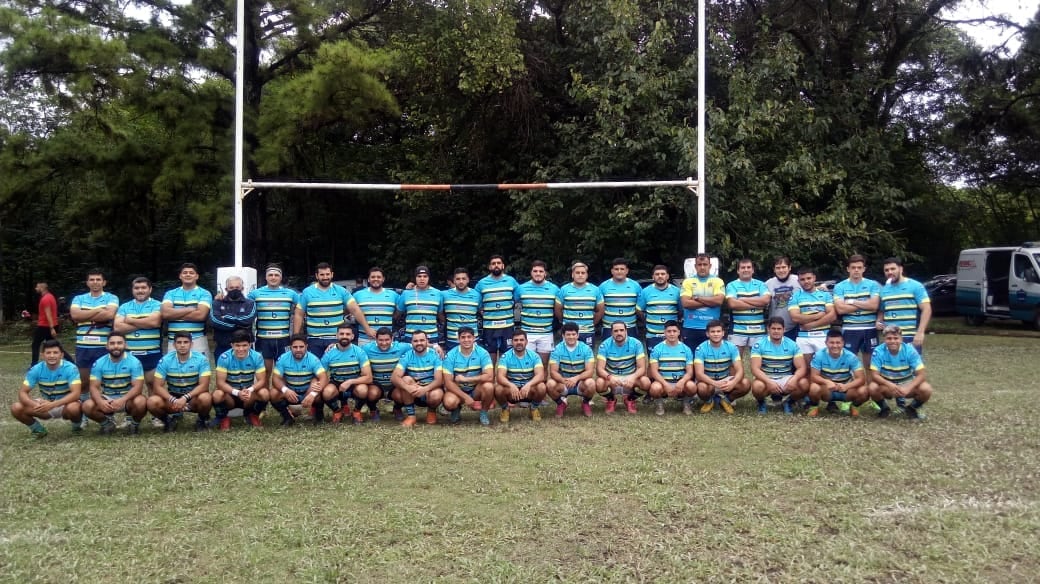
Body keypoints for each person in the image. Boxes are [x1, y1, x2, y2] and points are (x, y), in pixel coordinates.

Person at [296, 262, 375, 356]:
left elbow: (355, 309)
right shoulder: (307, 292)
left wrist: (367, 329)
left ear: (332, 274)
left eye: (327, 274)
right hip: (314, 339)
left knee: (337, 368)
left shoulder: (341, 291)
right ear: (317, 276)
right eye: (322, 274)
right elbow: (298, 314)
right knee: (316, 369)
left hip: (336, 338)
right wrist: (295, 338)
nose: (325, 277)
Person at [11, 339, 82, 438]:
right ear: (42, 355)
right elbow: (22, 392)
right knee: (16, 407)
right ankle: (38, 430)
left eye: (55, 352)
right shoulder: (36, 369)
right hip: (45, 405)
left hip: (65, 405)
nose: (52, 355)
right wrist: (35, 404)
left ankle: (77, 428)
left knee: (74, 408)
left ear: (61, 355)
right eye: (48, 353)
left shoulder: (71, 368)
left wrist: (52, 405)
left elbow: (76, 394)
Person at [82, 333, 147, 434]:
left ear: (125, 345)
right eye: (112, 343)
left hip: (127, 399)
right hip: (108, 399)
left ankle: (133, 424)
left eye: (119, 343)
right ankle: (107, 424)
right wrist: (100, 401)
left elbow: (138, 387)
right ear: (107, 346)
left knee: (141, 402)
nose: (116, 346)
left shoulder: (135, 362)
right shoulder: (99, 363)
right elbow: (94, 387)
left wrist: (122, 400)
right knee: (87, 405)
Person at [148, 332, 214, 432]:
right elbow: (157, 386)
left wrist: (185, 398)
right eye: (179, 342)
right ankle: (168, 422)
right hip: (173, 398)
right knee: (152, 402)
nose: (182, 345)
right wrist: (174, 400)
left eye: (186, 342)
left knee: (206, 398)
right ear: (174, 345)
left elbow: (204, 385)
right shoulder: (165, 360)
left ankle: (201, 420)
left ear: (191, 344)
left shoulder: (202, 359)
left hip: (193, 398)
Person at [869, 325, 933, 421]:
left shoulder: (910, 350)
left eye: (896, 338)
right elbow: (874, 375)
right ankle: (884, 409)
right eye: (889, 338)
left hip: (906, 383)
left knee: (926, 389)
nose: (893, 341)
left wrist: (908, 387)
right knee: (872, 387)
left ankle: (912, 408)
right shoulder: (878, 351)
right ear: (884, 339)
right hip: (888, 385)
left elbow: (922, 374)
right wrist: (889, 384)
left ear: (901, 339)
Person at [69, 269, 119, 390]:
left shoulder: (111, 297)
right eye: (91, 279)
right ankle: (85, 406)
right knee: (84, 382)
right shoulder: (78, 298)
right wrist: (98, 310)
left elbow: (109, 315)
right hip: (83, 346)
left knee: (106, 381)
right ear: (87, 283)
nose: (95, 282)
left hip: (104, 346)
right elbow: (75, 316)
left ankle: (104, 406)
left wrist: (84, 314)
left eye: (98, 279)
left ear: (104, 282)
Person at [750, 317, 809, 415]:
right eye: (773, 328)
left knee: (804, 383)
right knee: (757, 386)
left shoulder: (792, 344)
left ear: (784, 329)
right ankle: (761, 403)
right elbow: (755, 369)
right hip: (767, 377)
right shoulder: (759, 345)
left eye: (779, 329)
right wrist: (769, 382)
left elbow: (802, 367)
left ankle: (789, 402)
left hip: (785, 378)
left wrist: (794, 379)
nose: (776, 331)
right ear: (768, 329)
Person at [212, 330, 268, 430]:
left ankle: (253, 415)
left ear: (250, 345)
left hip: (248, 394)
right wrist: (237, 393)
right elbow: (220, 383)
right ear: (232, 345)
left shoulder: (257, 356)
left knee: (264, 393)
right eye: (237, 345)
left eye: (244, 345)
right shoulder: (224, 357)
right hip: (230, 395)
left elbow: (262, 380)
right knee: (217, 394)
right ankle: (223, 418)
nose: (241, 349)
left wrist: (249, 390)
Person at [833, 254, 882, 369]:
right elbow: (840, 309)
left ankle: (870, 387)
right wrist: (865, 303)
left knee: (870, 365)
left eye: (859, 267)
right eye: (853, 267)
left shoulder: (872, 284)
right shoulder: (840, 286)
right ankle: (852, 387)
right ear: (848, 269)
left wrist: (850, 301)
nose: (856, 270)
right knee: (849, 364)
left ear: (864, 269)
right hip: (850, 328)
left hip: (870, 328)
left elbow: (874, 306)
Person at [807, 328, 868, 417]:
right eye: (831, 342)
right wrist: (827, 382)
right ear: (826, 343)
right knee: (814, 388)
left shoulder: (851, 357)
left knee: (864, 391)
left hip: (846, 389)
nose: (835, 346)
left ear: (843, 343)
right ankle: (814, 407)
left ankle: (854, 407)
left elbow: (861, 379)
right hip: (827, 390)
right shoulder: (819, 355)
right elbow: (814, 376)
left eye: (838, 343)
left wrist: (847, 386)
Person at [269, 334, 328, 426]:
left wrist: (313, 394)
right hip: (290, 392)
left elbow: (323, 377)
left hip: (307, 391)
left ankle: (319, 417)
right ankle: (287, 418)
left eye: (301, 347)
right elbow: (275, 378)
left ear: (306, 347)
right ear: (290, 347)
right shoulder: (283, 358)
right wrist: (285, 390)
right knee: (273, 393)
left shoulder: (313, 359)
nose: (298, 350)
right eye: (295, 347)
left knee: (317, 385)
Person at [319, 324, 374, 424]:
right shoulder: (329, 353)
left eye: (348, 334)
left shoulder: (359, 352)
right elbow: (321, 374)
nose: (344, 336)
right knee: (326, 392)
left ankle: (356, 411)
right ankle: (337, 411)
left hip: (354, 382)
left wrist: (350, 382)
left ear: (352, 336)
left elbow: (369, 377)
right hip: (336, 382)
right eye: (341, 334)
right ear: (336, 335)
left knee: (363, 390)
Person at [693, 320, 750, 413]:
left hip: (725, 380)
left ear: (723, 333)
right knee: (702, 388)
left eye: (718, 331)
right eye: (712, 332)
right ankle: (709, 402)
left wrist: (733, 383)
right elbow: (699, 374)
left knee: (745, 383)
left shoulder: (732, 347)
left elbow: (740, 370)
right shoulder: (701, 348)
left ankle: (726, 401)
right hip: (709, 381)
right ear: (707, 334)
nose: (716, 334)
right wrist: (714, 383)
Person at [877, 257, 932, 354]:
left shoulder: (915, 286)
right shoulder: (884, 289)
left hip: (909, 336)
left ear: (901, 269)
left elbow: (927, 309)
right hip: (890, 337)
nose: (889, 272)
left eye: (893, 269)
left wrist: (920, 332)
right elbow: (882, 310)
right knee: (891, 367)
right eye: (886, 270)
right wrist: (878, 321)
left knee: (914, 368)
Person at [441, 326, 494, 425]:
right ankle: (456, 409)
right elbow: (448, 383)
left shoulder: (483, 353)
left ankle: (483, 413)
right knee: (449, 402)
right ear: (458, 339)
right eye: (463, 337)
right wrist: (465, 397)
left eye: (469, 337)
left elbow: (489, 376)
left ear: (474, 338)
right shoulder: (451, 355)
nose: (466, 340)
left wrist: (466, 379)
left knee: (489, 386)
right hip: (458, 389)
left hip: (476, 389)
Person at [595, 321, 651, 414]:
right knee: (599, 383)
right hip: (613, 379)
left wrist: (633, 377)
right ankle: (611, 399)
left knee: (646, 382)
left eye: (621, 330)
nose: (619, 333)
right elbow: (599, 369)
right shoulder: (604, 345)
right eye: (616, 331)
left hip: (630, 379)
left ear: (626, 331)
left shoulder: (636, 344)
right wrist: (610, 377)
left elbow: (642, 368)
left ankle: (630, 399)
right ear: (611, 333)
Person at [391, 330, 444, 427]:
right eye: (415, 341)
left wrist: (424, 389)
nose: (419, 343)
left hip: (429, 390)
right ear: (411, 342)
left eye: (422, 340)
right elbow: (394, 377)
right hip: (412, 391)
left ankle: (431, 412)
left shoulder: (435, 355)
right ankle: (411, 416)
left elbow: (439, 380)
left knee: (437, 395)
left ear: (427, 341)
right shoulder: (407, 355)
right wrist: (408, 388)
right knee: (405, 381)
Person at [161, 263, 213, 356]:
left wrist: (174, 313)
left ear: (197, 276)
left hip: (197, 339)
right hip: (174, 340)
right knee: (174, 369)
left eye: (191, 273)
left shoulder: (204, 293)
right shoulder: (170, 293)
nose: (188, 274)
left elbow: (201, 315)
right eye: (185, 272)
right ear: (180, 276)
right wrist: (190, 309)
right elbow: (165, 314)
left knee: (200, 369)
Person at [514, 260, 560, 367]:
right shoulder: (521, 288)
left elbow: (558, 308)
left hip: (546, 333)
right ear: (531, 272)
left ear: (545, 273)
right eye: (535, 271)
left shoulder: (554, 289)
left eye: (541, 271)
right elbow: (515, 304)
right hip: (527, 333)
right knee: (527, 365)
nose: (538, 273)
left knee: (543, 366)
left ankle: (541, 384)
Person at [547, 322, 598, 418]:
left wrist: (576, 378)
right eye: (568, 334)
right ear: (563, 335)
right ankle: (561, 404)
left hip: (580, 383)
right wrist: (564, 380)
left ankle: (585, 403)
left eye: (574, 334)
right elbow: (553, 372)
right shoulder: (557, 349)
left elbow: (590, 371)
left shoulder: (586, 349)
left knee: (591, 383)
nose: (571, 337)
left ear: (578, 335)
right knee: (550, 384)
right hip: (564, 383)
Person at [495, 330, 547, 423]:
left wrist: (529, 385)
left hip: (528, 391)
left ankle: (534, 408)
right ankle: (505, 409)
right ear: (512, 342)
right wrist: (511, 385)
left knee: (542, 387)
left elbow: (540, 375)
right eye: (516, 340)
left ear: (526, 342)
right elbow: (500, 376)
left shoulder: (534, 356)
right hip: (512, 391)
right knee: (498, 388)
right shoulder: (505, 356)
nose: (519, 342)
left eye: (521, 340)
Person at [475, 255, 519, 363]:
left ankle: (502, 379)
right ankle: (491, 378)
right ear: (489, 267)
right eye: (493, 263)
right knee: (490, 355)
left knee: (507, 355)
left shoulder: (511, 281)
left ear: (503, 265)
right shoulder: (482, 283)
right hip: (489, 326)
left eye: (498, 263)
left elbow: (518, 298)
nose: (496, 265)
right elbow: (476, 301)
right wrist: (481, 311)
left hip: (507, 325)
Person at [363, 327, 411, 422]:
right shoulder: (367, 348)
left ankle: (397, 409)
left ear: (392, 339)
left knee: (401, 396)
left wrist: (434, 346)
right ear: (376, 339)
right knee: (371, 394)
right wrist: (334, 345)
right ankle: (373, 410)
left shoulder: (401, 347)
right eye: (380, 340)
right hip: (377, 384)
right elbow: (351, 349)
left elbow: (417, 344)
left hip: (394, 384)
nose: (384, 343)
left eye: (387, 340)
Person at [647, 320, 696, 416]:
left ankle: (686, 404)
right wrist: (665, 384)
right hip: (663, 382)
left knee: (692, 387)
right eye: (669, 331)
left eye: (674, 331)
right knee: (654, 388)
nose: (672, 334)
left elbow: (690, 372)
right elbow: (654, 371)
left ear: (679, 332)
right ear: (664, 332)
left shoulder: (686, 349)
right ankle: (659, 405)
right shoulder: (657, 349)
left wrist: (681, 382)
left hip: (680, 383)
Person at [788, 267, 836, 363]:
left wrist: (812, 325)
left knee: (825, 368)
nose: (806, 281)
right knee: (806, 369)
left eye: (808, 278)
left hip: (823, 336)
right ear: (798, 281)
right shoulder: (795, 296)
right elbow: (795, 317)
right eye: (802, 279)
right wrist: (818, 316)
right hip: (804, 338)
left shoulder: (825, 295)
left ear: (814, 278)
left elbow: (832, 316)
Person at [725, 258, 771, 355]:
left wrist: (742, 299)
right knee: (734, 362)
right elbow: (732, 304)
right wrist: (757, 302)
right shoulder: (732, 285)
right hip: (737, 330)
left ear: (753, 270)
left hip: (758, 330)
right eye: (743, 267)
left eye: (748, 267)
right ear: (738, 270)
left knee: (759, 363)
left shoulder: (761, 284)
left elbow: (766, 301)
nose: (746, 269)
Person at [680, 253, 724, 353]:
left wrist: (697, 298)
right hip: (691, 327)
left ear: (710, 266)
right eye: (699, 265)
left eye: (705, 264)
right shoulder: (688, 282)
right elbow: (686, 303)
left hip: (712, 328)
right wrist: (710, 301)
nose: (702, 267)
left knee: (711, 360)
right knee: (691, 360)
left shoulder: (718, 281)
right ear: (695, 266)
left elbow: (719, 301)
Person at [555, 261, 604, 347]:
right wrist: (565, 322)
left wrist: (591, 323)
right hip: (569, 332)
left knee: (588, 358)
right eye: (577, 273)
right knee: (567, 357)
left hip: (587, 331)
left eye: (583, 273)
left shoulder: (595, 290)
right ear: (572, 274)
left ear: (587, 275)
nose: (580, 275)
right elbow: (558, 310)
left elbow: (600, 311)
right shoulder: (564, 289)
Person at [210, 275, 257, 358]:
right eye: (231, 288)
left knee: (248, 371)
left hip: (245, 347)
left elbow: (248, 320)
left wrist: (226, 317)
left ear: (242, 288)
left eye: (237, 287)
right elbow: (214, 321)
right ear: (226, 289)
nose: (234, 289)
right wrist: (238, 325)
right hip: (223, 346)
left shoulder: (250, 303)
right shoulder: (217, 303)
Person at [396, 265, 444, 345]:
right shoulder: (406, 293)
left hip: (431, 336)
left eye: (425, 276)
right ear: (415, 278)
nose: (422, 279)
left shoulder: (438, 293)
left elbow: (441, 316)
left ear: (429, 278)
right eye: (419, 276)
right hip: (411, 336)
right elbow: (397, 315)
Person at [637, 265, 682, 350]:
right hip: (653, 335)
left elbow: (681, 310)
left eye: (662, 274)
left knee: (673, 360)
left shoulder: (677, 291)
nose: (660, 276)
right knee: (653, 361)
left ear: (667, 276)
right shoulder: (645, 291)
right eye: (657, 274)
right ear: (653, 276)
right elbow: (639, 309)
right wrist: (646, 319)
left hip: (672, 334)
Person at [352, 266, 398, 346]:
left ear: (383, 279)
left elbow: (399, 311)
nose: (376, 279)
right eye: (373, 277)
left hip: (387, 340)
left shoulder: (394, 295)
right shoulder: (357, 295)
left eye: (378, 277)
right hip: (365, 339)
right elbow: (349, 312)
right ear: (368, 279)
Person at [599, 257, 642, 339]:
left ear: (627, 271)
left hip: (630, 327)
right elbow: (598, 308)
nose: (619, 271)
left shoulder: (635, 286)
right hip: (609, 328)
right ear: (612, 271)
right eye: (616, 269)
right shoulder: (603, 286)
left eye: (622, 269)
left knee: (631, 352)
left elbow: (640, 307)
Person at [30, 282, 72, 366]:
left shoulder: (45, 299)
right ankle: (71, 361)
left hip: (45, 326)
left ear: (42, 288)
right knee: (55, 345)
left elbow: (48, 313)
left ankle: (33, 365)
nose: (36, 288)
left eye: (37, 287)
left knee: (35, 344)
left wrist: (52, 328)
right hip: (49, 325)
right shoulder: (50, 296)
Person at [442, 267, 481, 351]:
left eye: (464, 279)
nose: (461, 281)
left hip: (472, 339)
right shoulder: (444, 295)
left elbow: (483, 311)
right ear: (454, 280)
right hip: (453, 339)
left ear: (468, 280)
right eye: (458, 279)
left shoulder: (477, 295)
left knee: (474, 364)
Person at [765, 256, 800, 341]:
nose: (781, 270)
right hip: (775, 328)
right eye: (778, 268)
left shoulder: (798, 280)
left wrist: (822, 287)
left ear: (789, 267)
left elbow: (811, 287)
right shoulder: (768, 284)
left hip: (795, 327)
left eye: (784, 267)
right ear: (774, 269)